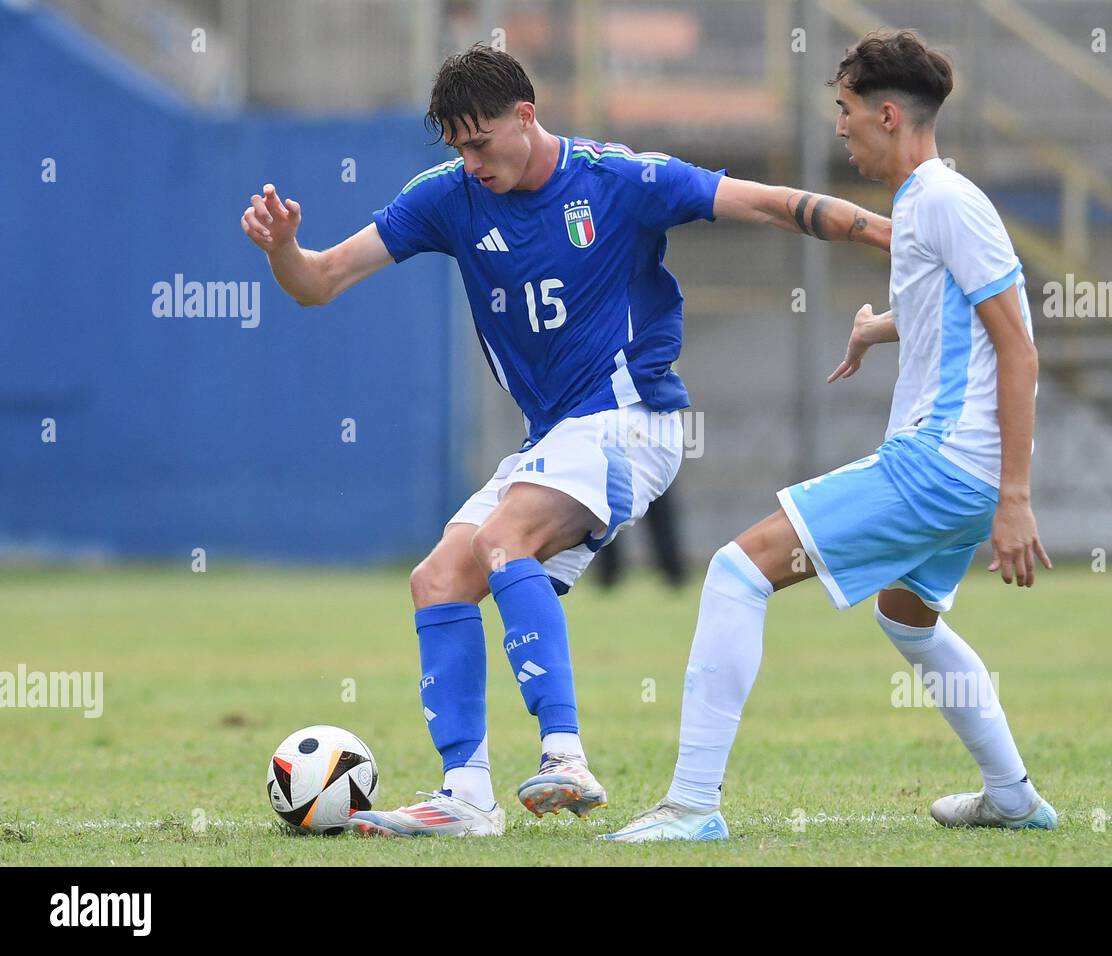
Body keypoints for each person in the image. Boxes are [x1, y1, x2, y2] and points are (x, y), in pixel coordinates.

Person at [240, 43, 891, 837]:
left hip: (633, 419)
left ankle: (563, 756)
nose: (471, 163)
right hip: (556, 436)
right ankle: (467, 798)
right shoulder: (447, 197)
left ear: (526, 116)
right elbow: (321, 281)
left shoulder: (620, 180)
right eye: (457, 148)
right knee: (438, 579)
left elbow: (768, 202)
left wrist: (894, 236)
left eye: (481, 143)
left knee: (503, 539)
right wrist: (281, 250)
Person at [605, 29, 1056, 843]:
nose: (838, 127)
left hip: (943, 466)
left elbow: (1016, 340)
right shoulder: (924, 200)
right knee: (905, 615)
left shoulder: (947, 201)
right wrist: (878, 328)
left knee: (736, 571)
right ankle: (1012, 796)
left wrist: (1016, 499)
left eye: (845, 111)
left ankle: (691, 806)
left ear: (888, 114)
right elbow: (951, 314)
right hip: (964, 473)